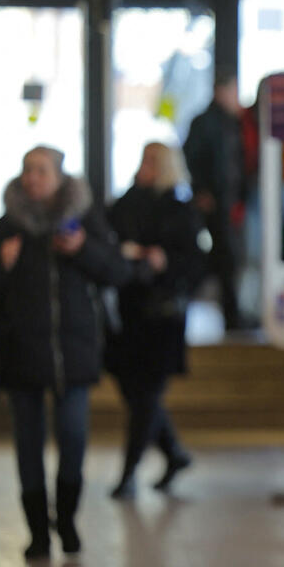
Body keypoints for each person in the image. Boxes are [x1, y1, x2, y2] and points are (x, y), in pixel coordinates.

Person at [0, 146, 141, 559]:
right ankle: (37, 533)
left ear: (60, 178)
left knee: (74, 437)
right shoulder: (6, 227)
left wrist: (82, 249)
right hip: (20, 352)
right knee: (27, 444)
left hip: (74, 351)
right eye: (28, 170)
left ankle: (65, 518)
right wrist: (1, 265)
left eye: (42, 171)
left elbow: (118, 272)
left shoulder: (83, 221)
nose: (33, 178)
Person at [106, 143, 206, 499]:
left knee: (147, 394)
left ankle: (129, 472)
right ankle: (174, 452)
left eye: (152, 161)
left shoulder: (180, 210)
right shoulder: (126, 203)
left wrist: (164, 262)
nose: (145, 167)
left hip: (163, 314)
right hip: (129, 312)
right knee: (135, 393)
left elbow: (195, 263)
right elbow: (109, 240)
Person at [182, 71, 245, 330]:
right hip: (214, 202)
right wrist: (200, 191)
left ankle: (231, 314)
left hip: (230, 202)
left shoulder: (233, 122)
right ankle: (230, 316)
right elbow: (190, 158)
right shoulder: (205, 123)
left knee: (224, 258)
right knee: (223, 257)